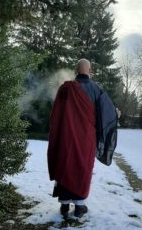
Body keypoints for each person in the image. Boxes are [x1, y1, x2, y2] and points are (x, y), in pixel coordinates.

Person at [47, 59, 120, 218]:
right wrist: (116, 114)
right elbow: (107, 113)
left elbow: (55, 116)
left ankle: (64, 206)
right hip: (86, 139)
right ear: (90, 70)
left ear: (76, 70)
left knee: (65, 165)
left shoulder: (65, 89)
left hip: (66, 138)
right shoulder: (95, 89)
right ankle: (79, 207)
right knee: (82, 168)